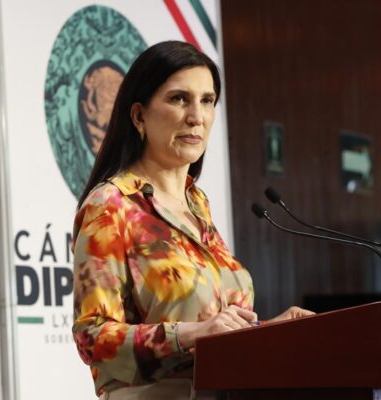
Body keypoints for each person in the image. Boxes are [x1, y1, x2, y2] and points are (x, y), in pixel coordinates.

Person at [71, 40, 314, 399]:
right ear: (138, 116)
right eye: (179, 99)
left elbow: (216, 329)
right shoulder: (111, 205)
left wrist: (269, 330)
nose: (196, 117)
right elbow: (92, 338)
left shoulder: (197, 203)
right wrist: (190, 335)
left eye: (207, 100)